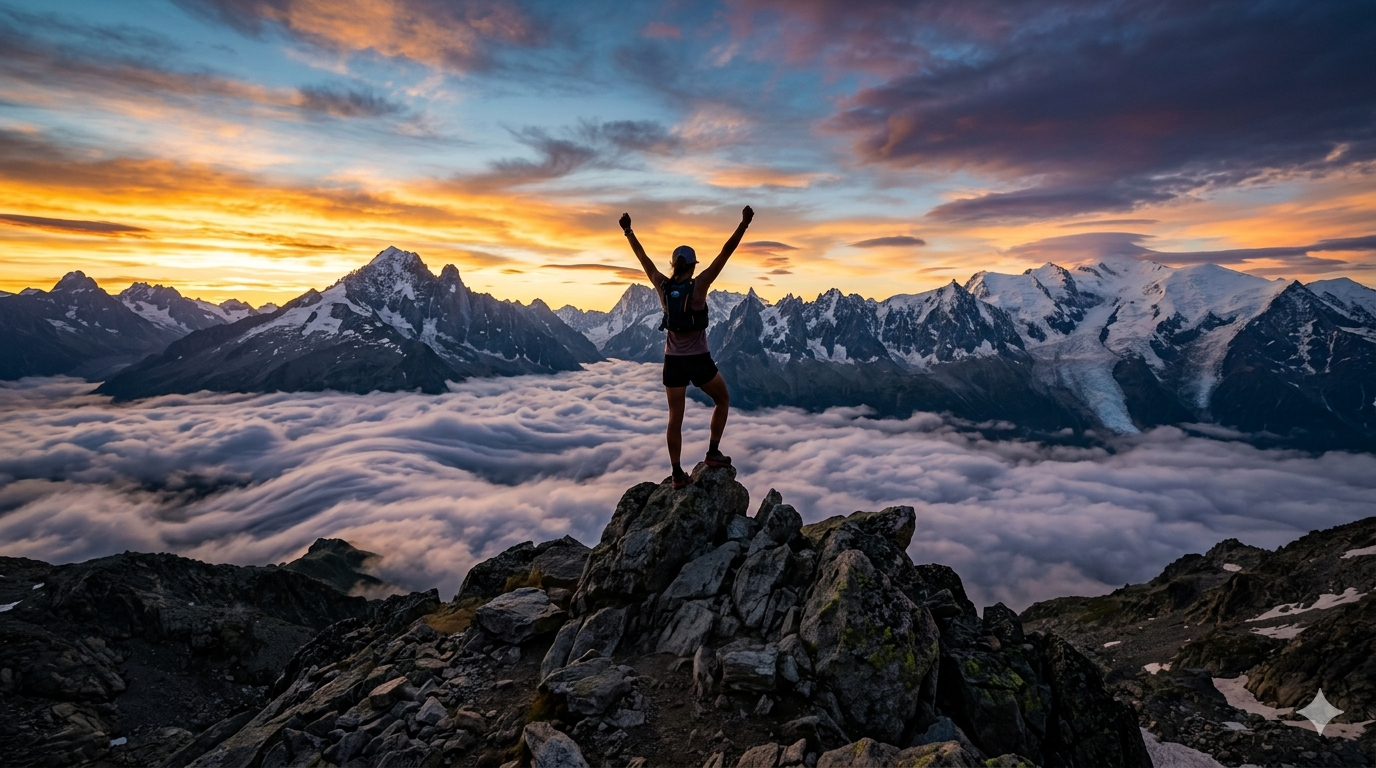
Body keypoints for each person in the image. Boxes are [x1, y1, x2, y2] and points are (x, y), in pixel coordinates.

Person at [619, 206, 754, 489]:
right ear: (693, 266)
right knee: (722, 400)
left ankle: (677, 473)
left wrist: (629, 231)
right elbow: (725, 253)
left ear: (673, 264)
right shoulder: (700, 285)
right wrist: (743, 225)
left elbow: (643, 259)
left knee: (674, 419)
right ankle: (713, 452)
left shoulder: (662, 286)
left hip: (673, 361)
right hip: (699, 358)